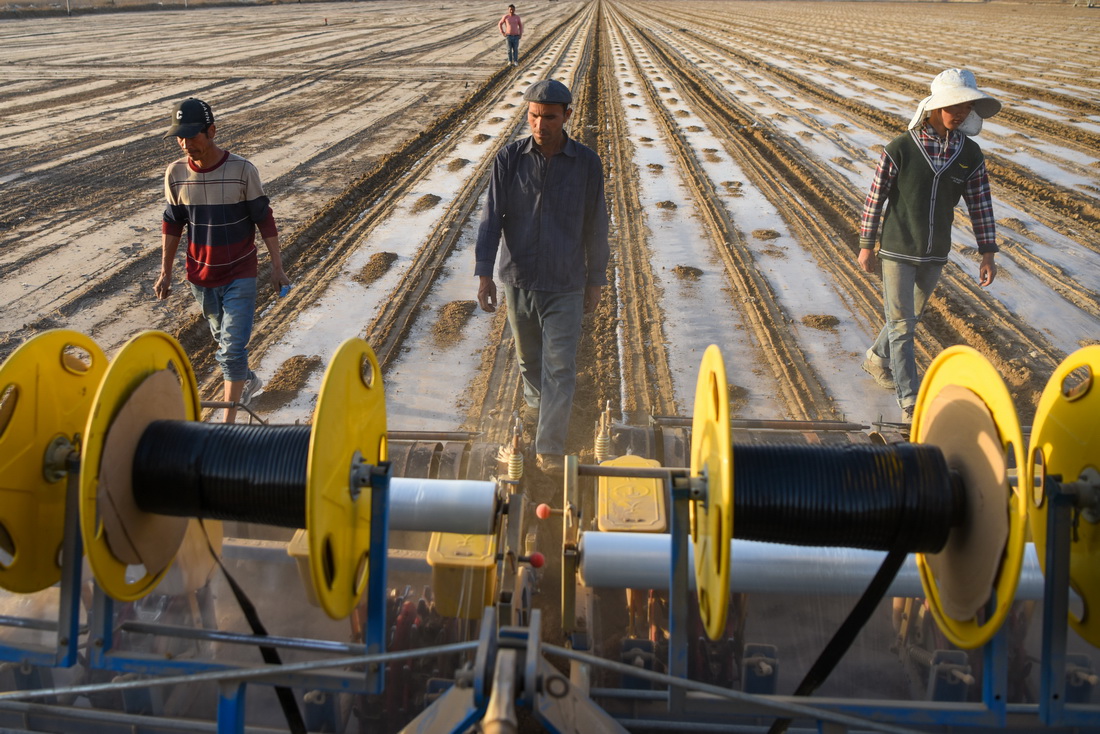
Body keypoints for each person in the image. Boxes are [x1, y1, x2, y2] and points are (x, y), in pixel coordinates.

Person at [474, 79, 609, 474]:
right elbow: (490, 219)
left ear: (567, 116)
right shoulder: (510, 159)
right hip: (518, 277)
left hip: (565, 281)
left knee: (560, 366)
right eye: (533, 116)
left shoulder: (586, 163)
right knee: (528, 360)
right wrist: (485, 274)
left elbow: (596, 225)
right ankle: (537, 409)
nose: (539, 124)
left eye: (549, 117)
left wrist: (595, 280)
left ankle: (549, 449)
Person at [857, 69, 1001, 423]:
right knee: (904, 326)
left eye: (967, 105)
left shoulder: (970, 154)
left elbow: (981, 203)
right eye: (956, 105)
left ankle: (876, 357)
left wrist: (988, 252)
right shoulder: (901, 148)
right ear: (936, 107)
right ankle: (910, 403)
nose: (962, 111)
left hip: (935, 251)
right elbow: (875, 200)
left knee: (908, 318)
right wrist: (866, 244)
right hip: (897, 247)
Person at [154, 98, 290, 423]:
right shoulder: (175, 174)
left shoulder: (242, 170)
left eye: (192, 136)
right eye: (180, 137)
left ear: (212, 131)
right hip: (200, 278)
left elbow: (264, 218)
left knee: (230, 349)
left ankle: (226, 426)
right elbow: (173, 223)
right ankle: (248, 382)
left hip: (240, 271)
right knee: (223, 341)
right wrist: (164, 272)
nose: (186, 144)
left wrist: (278, 265)